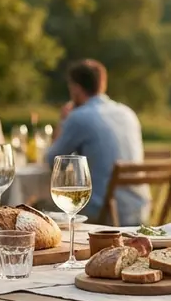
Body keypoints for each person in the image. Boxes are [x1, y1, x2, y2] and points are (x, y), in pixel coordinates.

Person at [45, 59, 150, 225]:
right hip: (138, 209)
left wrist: (63, 121)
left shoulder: (79, 117)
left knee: (39, 206)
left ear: (76, 89)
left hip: (103, 213)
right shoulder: (127, 113)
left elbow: (53, 161)